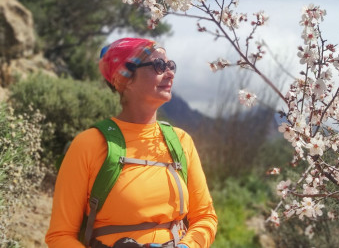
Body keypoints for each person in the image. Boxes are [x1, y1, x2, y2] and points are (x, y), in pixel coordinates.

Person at [45, 38, 217, 248]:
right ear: (125, 79)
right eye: (159, 66)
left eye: (170, 65)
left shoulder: (181, 141)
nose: (170, 73)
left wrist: (186, 246)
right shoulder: (88, 145)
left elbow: (205, 218)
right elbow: (60, 236)